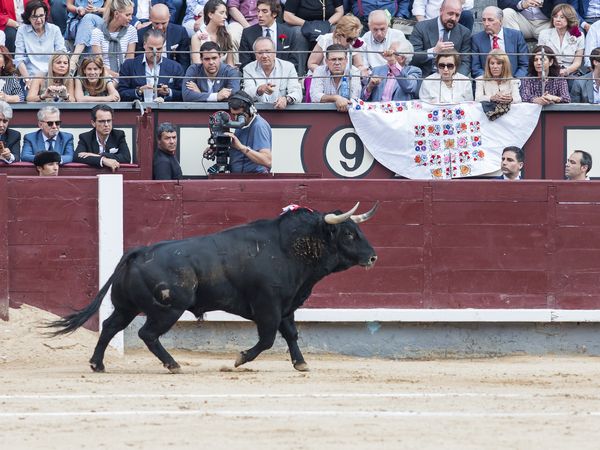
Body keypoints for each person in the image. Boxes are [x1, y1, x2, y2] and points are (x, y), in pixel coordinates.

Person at [204, 90, 271, 173]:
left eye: (240, 115)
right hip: (238, 178)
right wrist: (217, 149)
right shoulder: (243, 125)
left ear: (250, 110)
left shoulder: (259, 126)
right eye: (234, 114)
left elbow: (267, 161)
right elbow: (242, 154)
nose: (236, 118)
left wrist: (241, 147)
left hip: (254, 179)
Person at [409, 0, 471, 78]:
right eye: (450, 13)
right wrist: (433, 51)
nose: (453, 18)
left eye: (457, 15)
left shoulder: (464, 32)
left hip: (453, 78)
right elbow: (411, 57)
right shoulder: (421, 27)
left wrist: (455, 78)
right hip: (425, 77)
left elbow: (466, 63)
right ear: (441, 11)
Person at [118, 28, 184, 101]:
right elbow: (121, 92)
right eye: (151, 49)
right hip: (137, 110)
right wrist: (139, 91)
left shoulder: (175, 67)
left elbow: (182, 94)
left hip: (165, 111)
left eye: (158, 49)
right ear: (144, 45)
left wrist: (168, 92)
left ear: (163, 47)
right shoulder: (129, 65)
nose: (155, 52)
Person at [282, 0, 343, 75]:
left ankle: (334, 71)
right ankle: (298, 74)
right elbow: (287, 16)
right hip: (301, 24)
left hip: (326, 24)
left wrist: (328, 23)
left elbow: (339, 11)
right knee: (298, 33)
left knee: (337, 31)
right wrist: (307, 25)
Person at [15, 0, 66, 88]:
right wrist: (27, 80)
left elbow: (61, 54)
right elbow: (19, 59)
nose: (39, 20)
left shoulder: (55, 29)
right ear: (28, 17)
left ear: (45, 14)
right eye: (34, 17)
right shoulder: (22, 30)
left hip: (52, 76)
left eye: (41, 15)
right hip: (31, 77)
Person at [238, 0, 299, 73]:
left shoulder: (289, 33)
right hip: (257, 78)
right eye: (258, 11)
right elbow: (245, 63)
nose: (259, 15)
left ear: (274, 14)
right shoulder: (247, 33)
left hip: (282, 77)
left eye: (264, 11)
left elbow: (294, 62)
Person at [242, 36, 302, 109]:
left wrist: (286, 99)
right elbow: (247, 93)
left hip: (283, 112)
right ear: (255, 54)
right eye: (260, 53)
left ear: (275, 52)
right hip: (258, 112)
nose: (264, 56)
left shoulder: (288, 67)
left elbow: (297, 93)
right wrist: (259, 89)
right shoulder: (248, 69)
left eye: (268, 51)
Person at [470, 6, 529, 79]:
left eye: (490, 20)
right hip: (487, 83)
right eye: (484, 20)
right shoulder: (476, 39)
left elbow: (525, 64)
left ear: (500, 21)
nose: (486, 23)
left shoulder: (516, 36)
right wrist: (489, 81)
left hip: (513, 82)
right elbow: (475, 68)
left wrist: (514, 81)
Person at [74, 104, 131, 171]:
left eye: (109, 121)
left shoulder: (118, 135)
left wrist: (98, 155)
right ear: (93, 123)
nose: (106, 125)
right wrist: (103, 160)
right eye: (102, 121)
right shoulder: (85, 137)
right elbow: (77, 157)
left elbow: (126, 158)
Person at [135, 3, 190, 71]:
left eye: (164, 23)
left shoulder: (180, 32)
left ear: (169, 17)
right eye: (156, 23)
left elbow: (184, 62)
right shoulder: (140, 34)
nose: (160, 27)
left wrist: (178, 78)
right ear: (150, 18)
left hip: (173, 74)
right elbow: (138, 62)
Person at [90, 0, 138, 78]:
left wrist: (121, 76)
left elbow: (130, 60)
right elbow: (99, 64)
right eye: (127, 15)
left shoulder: (131, 31)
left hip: (124, 75)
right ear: (116, 14)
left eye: (131, 15)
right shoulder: (97, 32)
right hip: (103, 75)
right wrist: (115, 76)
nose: (131, 18)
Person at [537, 4, 584, 80]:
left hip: (570, 72)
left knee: (575, 83)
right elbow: (541, 57)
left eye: (562, 17)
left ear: (569, 19)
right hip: (549, 70)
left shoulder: (579, 35)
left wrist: (566, 71)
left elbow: (577, 62)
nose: (557, 19)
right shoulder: (544, 33)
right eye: (555, 16)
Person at [310, 43, 361, 112]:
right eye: (333, 59)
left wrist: (333, 99)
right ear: (326, 61)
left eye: (340, 59)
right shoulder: (319, 71)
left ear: (346, 60)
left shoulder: (354, 71)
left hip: (348, 114)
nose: (337, 63)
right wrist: (336, 98)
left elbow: (355, 97)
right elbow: (315, 97)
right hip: (323, 113)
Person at [498, 0, 584, 41]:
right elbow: (502, 3)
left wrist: (543, 2)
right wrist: (522, 4)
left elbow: (560, 5)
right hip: (523, 22)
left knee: (564, 22)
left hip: (546, 23)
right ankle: (515, 48)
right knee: (506, 12)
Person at [191, 0, 236, 67]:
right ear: (210, 15)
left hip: (223, 75)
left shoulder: (227, 35)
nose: (225, 17)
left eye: (225, 13)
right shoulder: (197, 37)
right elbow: (197, 66)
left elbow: (230, 64)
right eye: (221, 13)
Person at [65, 0, 105, 72]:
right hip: (78, 21)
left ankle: (74, 59)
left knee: (88, 17)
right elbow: (69, 5)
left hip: (100, 22)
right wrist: (78, 9)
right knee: (90, 34)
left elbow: (111, 9)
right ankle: (82, 75)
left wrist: (96, 9)